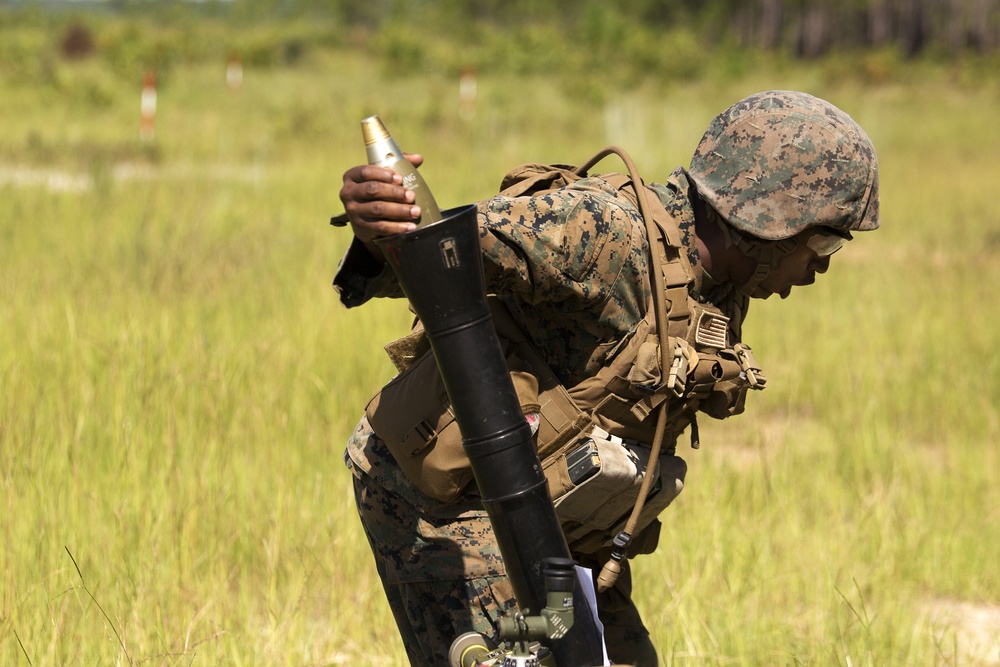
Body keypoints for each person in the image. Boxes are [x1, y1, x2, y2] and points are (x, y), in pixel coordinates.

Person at [332, 90, 879, 666]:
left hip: (553, 523)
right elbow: (437, 255)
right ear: (767, 216)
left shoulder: (718, 279)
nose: (821, 266)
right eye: (822, 241)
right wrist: (379, 229)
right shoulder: (601, 234)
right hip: (448, 508)